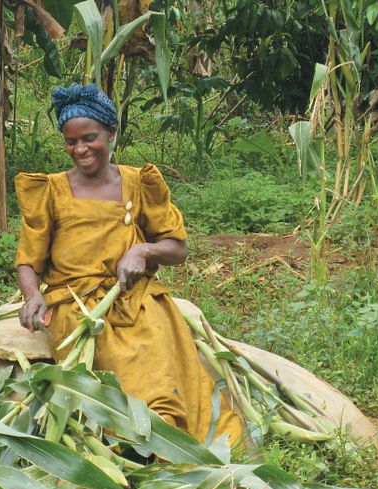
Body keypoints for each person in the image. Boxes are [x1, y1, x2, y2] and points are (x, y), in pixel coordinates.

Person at [15, 84, 242, 444]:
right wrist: (32, 296)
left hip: (135, 299)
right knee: (112, 369)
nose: (80, 150)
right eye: (71, 142)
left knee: (159, 365)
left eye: (89, 138)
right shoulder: (51, 190)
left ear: (111, 133)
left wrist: (143, 252)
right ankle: (130, 440)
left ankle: (167, 439)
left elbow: (177, 249)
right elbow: (29, 262)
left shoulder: (139, 184)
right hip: (76, 305)